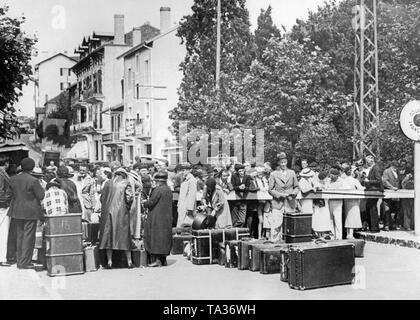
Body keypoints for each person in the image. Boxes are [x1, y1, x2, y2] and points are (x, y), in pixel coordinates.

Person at [7, 158, 45, 269]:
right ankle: (24, 262)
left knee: (18, 236)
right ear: (32, 168)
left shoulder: (13, 179)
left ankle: (17, 258)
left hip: (16, 211)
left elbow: (10, 194)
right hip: (30, 212)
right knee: (28, 237)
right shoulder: (33, 180)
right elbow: (41, 195)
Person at [99, 168, 134, 269]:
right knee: (124, 236)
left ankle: (109, 262)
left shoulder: (107, 183)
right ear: (124, 175)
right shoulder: (125, 183)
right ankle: (129, 261)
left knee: (108, 237)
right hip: (121, 212)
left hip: (107, 213)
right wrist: (127, 207)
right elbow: (129, 197)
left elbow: (102, 198)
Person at [142, 172, 173, 267]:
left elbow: (151, 202)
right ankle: (163, 260)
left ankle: (157, 260)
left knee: (156, 238)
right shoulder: (168, 189)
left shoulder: (158, 190)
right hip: (166, 217)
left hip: (157, 218)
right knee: (164, 238)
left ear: (158, 181)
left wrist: (144, 202)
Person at [268, 153, 299, 241]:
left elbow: (296, 186)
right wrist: (281, 195)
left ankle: (290, 244)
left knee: (290, 225)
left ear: (287, 162)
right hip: (278, 203)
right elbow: (270, 190)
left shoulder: (292, 173)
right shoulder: (274, 174)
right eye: (281, 162)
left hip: (290, 202)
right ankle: (274, 243)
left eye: (284, 162)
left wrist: (294, 192)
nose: (283, 164)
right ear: (278, 163)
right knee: (276, 225)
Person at [361, 155, 383, 233]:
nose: (367, 163)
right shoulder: (372, 168)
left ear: (372, 161)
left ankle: (374, 228)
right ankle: (372, 227)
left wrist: (368, 181)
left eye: (368, 162)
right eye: (366, 162)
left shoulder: (375, 168)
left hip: (375, 191)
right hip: (372, 191)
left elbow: (378, 180)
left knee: (372, 208)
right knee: (369, 207)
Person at [342, 166, 364, 239]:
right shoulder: (354, 180)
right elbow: (361, 188)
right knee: (353, 216)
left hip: (347, 200)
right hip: (353, 200)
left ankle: (349, 233)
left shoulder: (344, 180)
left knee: (348, 216)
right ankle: (350, 234)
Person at [326, 168, 345, 240]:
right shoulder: (329, 181)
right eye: (331, 175)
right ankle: (332, 235)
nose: (331, 177)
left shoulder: (341, 181)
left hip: (337, 201)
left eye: (333, 175)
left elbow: (346, 188)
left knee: (338, 219)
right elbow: (326, 187)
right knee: (330, 219)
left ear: (337, 176)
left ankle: (339, 236)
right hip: (330, 201)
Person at [312, 171, 333, 238]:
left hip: (325, 204)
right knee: (319, 218)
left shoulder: (327, 185)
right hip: (319, 205)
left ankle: (323, 234)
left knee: (324, 219)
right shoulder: (317, 184)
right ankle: (318, 234)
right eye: (326, 178)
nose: (327, 179)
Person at [177, 163, 197, 227]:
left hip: (186, 206)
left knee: (185, 224)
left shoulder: (192, 180)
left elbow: (192, 194)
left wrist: (190, 208)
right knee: (181, 223)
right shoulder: (184, 179)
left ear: (190, 170)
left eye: (185, 170)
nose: (183, 171)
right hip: (182, 205)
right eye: (182, 170)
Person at [382, 161, 401, 231]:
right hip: (388, 194)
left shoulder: (397, 172)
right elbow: (385, 181)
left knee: (394, 210)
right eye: (396, 167)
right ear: (392, 166)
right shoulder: (386, 171)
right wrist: (392, 187)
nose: (397, 168)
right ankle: (386, 225)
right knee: (387, 210)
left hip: (396, 195)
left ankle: (392, 225)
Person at [0, 159, 12, 267]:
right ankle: (2, 258)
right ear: (6, 164)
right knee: (3, 232)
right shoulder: (2, 173)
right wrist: (6, 201)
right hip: (2, 206)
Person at [255, 167, 269, 239]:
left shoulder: (265, 180)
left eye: (261, 173)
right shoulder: (255, 180)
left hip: (266, 202)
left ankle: (264, 235)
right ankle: (259, 236)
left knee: (267, 220)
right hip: (259, 203)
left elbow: (267, 188)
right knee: (261, 220)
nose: (260, 174)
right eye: (259, 173)